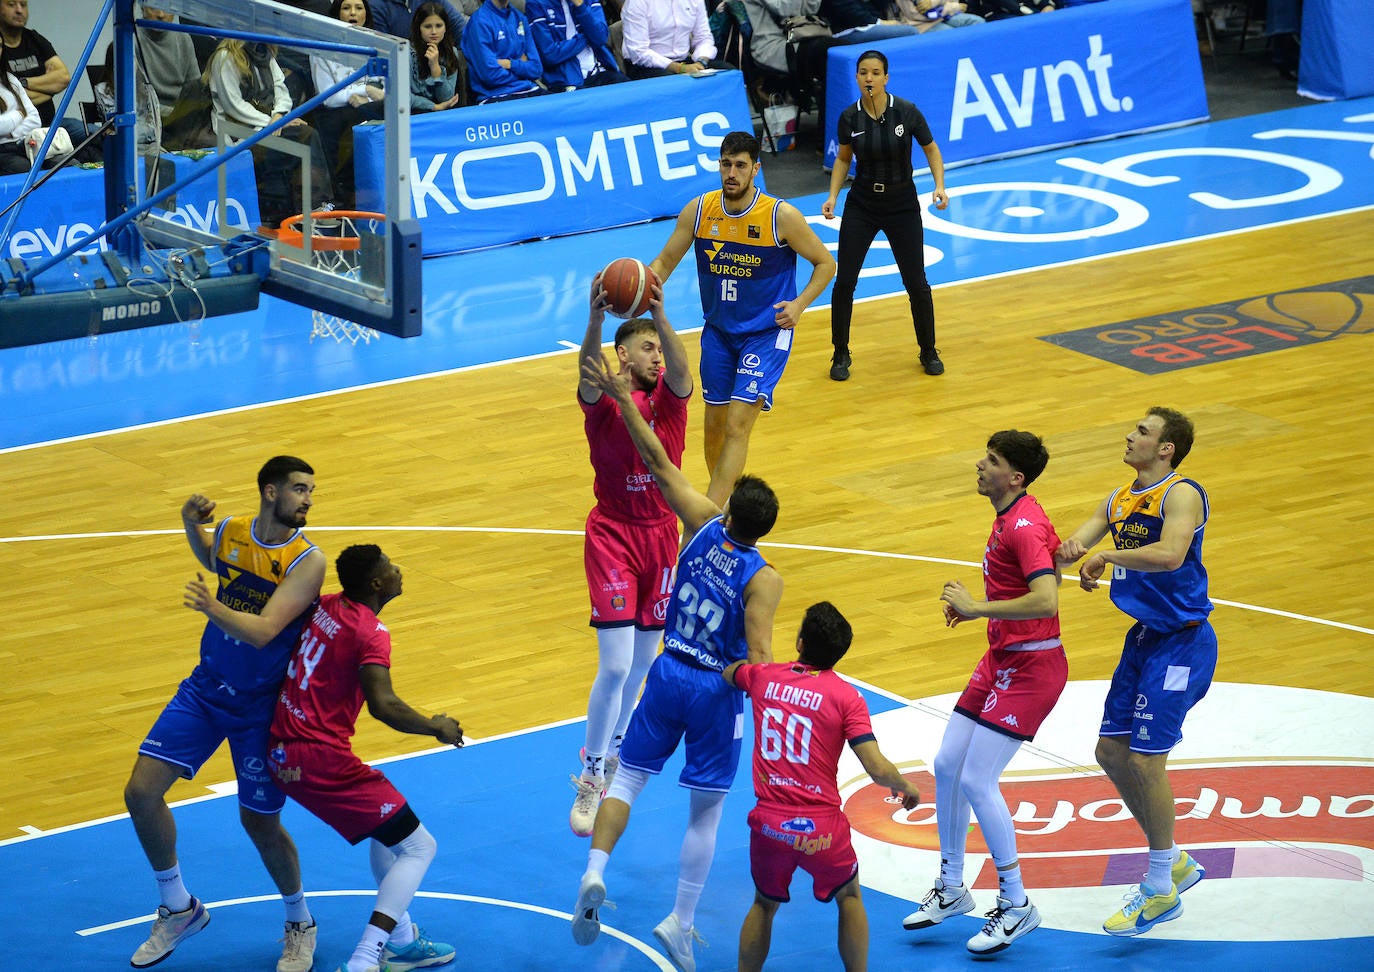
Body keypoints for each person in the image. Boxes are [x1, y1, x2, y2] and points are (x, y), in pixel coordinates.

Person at [571, 348, 784, 972]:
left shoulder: (700, 524)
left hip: (666, 671)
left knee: (629, 781)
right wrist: (772, 709)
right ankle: (681, 922)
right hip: (715, 692)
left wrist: (618, 398)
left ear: (732, 510)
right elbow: (763, 661)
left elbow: (659, 461)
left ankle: (593, 870)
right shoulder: (763, 576)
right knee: (706, 811)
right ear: (767, 527)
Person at [123, 456, 325, 971]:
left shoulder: (308, 561)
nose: (308, 499)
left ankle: (299, 923)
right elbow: (216, 561)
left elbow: (264, 631)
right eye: (299, 489)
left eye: (311, 491)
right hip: (206, 688)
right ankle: (177, 908)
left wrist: (211, 608)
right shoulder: (235, 529)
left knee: (259, 824)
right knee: (141, 793)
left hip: (261, 707)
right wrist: (192, 526)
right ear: (269, 490)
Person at [901, 430, 1066, 955]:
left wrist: (977, 609)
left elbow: (1044, 600)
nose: (979, 464)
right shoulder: (1012, 516)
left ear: (1014, 477)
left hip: (1033, 667)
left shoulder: (1022, 525)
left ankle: (1017, 903)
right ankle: (952, 887)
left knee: (977, 777)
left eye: (990, 461)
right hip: (1002, 657)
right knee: (948, 764)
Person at [1054, 407, 1215, 937]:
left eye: (1143, 431)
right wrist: (1063, 550)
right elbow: (1072, 545)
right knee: (1109, 753)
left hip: (1182, 644)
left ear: (1166, 448)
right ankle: (1178, 864)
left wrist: (1102, 557)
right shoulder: (1121, 499)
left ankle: (1159, 887)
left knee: (1147, 762)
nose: (1130, 435)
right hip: (1144, 640)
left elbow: (1171, 554)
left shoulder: (1182, 493)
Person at [269, 544, 463, 972]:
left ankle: (404, 938)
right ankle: (366, 957)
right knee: (419, 847)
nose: (398, 570)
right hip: (321, 759)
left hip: (282, 750)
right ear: (377, 583)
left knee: (387, 827)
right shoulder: (370, 632)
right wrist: (436, 726)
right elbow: (383, 705)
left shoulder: (329, 605)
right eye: (392, 567)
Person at [726, 601, 922, 972]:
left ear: (800, 642)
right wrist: (905, 785)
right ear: (838, 654)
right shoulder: (847, 698)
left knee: (763, 904)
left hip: (769, 822)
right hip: (821, 829)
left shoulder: (764, 677)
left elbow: (731, 673)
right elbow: (876, 768)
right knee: (848, 895)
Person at [648, 130, 835, 508]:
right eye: (725, 164)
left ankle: (708, 515)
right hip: (718, 332)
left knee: (736, 424)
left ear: (755, 170)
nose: (731, 173)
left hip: (765, 334)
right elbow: (665, 262)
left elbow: (826, 263)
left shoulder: (779, 215)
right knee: (715, 428)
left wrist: (798, 305)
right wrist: (641, 287)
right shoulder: (700, 210)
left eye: (740, 166)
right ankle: (726, 505)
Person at [569, 278, 693, 837]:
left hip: (662, 536)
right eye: (647, 349)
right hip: (615, 534)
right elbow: (588, 377)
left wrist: (664, 321)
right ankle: (592, 775)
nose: (657, 358)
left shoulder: (668, 395)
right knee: (616, 665)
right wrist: (595, 322)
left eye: (660, 351)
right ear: (623, 355)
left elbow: (686, 373)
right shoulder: (605, 396)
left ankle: (616, 748)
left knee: (644, 664)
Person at [822, 49, 947, 382]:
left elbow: (931, 149)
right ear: (857, 78)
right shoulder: (850, 117)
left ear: (885, 78)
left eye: (875, 73)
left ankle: (929, 350)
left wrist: (939, 186)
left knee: (916, 283)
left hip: (902, 204)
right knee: (845, 281)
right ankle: (840, 352)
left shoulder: (906, 111)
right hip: (862, 204)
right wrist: (833, 195)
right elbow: (844, 159)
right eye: (863, 72)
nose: (869, 78)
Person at [204, 38, 333, 227]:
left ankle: (309, 207)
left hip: (269, 126)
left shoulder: (265, 53)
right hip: (240, 136)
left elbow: (282, 90)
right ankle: (312, 207)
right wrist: (271, 123)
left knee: (306, 134)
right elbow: (234, 106)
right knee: (304, 137)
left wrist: (280, 116)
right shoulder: (225, 57)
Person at [311, 0, 387, 206]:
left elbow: (388, 88)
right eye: (346, 8)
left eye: (359, 8)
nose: (353, 13)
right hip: (336, 114)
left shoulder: (379, 43)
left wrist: (367, 96)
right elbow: (329, 98)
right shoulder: (321, 47)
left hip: (369, 108)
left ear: (366, 13)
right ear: (337, 13)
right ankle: (344, 195)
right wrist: (366, 90)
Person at [527, 0, 628, 92]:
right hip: (565, 80)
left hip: (598, 72)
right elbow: (549, 54)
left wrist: (580, 6)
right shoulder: (536, 3)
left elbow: (601, 38)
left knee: (628, 90)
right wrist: (588, 36)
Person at [618, 0, 735, 79]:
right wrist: (679, 68)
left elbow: (704, 38)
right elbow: (638, 51)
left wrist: (701, 62)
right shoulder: (637, 3)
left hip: (684, 61)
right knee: (671, 82)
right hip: (646, 66)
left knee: (729, 72)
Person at [0, 0, 70, 127]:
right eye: (11, 4)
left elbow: (63, 78)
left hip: (52, 124)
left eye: (23, 5)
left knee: (91, 132)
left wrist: (22, 83)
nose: (19, 10)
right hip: (18, 131)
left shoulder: (34, 39)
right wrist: (49, 91)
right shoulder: (0, 47)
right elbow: (9, 99)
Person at [460, 0, 544, 104]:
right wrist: (523, 69)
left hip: (529, 89)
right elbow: (490, 76)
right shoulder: (479, 22)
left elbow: (537, 69)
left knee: (562, 109)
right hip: (496, 96)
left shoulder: (519, 17)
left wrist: (510, 64)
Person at [409, 1, 464, 111]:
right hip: (412, 115)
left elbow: (446, 98)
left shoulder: (451, 52)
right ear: (418, 28)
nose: (434, 32)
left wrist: (435, 67)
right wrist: (434, 107)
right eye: (427, 26)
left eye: (439, 26)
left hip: (443, 115)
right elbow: (403, 95)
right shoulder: (406, 53)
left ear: (445, 28)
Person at [819, 0, 919, 43]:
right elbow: (850, 12)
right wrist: (879, 22)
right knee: (910, 32)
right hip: (845, 30)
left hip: (867, 24)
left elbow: (880, 6)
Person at [0, 63, 38, 175]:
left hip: (22, 141)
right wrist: (19, 114)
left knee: (62, 161)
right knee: (24, 167)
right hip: (3, 149)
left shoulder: (9, 78)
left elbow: (35, 119)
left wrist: (12, 133)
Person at [370, 0, 468, 42]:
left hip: (439, 62)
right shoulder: (376, 5)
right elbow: (383, 51)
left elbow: (462, 31)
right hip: (399, 68)